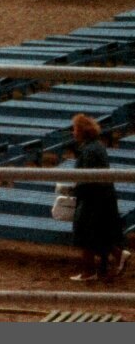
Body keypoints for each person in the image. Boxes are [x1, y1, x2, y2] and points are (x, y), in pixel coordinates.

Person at [68, 113, 130, 281]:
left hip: (93, 199)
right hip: (101, 197)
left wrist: (74, 190)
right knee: (98, 233)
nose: (73, 132)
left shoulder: (89, 150)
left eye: (75, 129)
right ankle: (118, 255)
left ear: (82, 131)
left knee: (85, 233)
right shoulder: (95, 146)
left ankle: (89, 271)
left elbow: (88, 178)